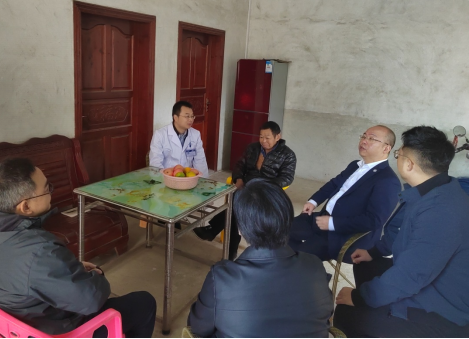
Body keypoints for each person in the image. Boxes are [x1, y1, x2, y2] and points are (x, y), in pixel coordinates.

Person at [0, 158, 157, 338]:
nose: (51, 193)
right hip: (59, 329)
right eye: (47, 189)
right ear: (26, 207)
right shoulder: (39, 249)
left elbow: (23, 272)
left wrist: (66, 269)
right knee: (144, 302)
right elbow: (91, 299)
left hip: (16, 322)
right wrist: (96, 274)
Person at [334, 126, 469, 338]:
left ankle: (383, 317)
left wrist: (359, 298)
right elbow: (402, 232)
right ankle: (380, 309)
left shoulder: (441, 211)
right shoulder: (433, 190)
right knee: (365, 266)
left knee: (345, 313)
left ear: (409, 164)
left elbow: (411, 276)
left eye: (398, 154)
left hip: (445, 310)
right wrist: (374, 252)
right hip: (431, 279)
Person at [188, 181, 333, 338]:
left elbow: (197, 328)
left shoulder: (221, 278)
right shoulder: (315, 265)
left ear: (240, 229)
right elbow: (325, 317)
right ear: (287, 220)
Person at [288, 125, 401, 261]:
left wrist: (333, 223)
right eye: (363, 136)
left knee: (298, 258)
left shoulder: (387, 180)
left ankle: (307, 269)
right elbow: (334, 184)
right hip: (322, 219)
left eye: (372, 139)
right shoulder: (355, 165)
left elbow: (374, 220)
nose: (364, 141)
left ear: (386, 148)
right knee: (279, 231)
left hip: (343, 235)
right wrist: (313, 201)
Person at [194, 121, 296, 260]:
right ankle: (228, 251)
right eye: (261, 137)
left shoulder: (288, 155)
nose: (263, 141)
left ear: (277, 137)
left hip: (267, 191)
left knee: (236, 208)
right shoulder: (253, 148)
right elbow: (239, 165)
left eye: (267, 137)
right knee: (236, 206)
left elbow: (287, 177)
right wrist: (238, 179)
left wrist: (266, 186)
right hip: (247, 186)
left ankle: (216, 235)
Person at [149, 101, 209, 177]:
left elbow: (200, 161)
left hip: (188, 178)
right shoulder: (160, 135)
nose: (190, 119)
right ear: (176, 118)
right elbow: (155, 164)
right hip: (166, 178)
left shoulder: (195, 134)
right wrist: (163, 180)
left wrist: (203, 181)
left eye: (192, 116)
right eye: (187, 116)